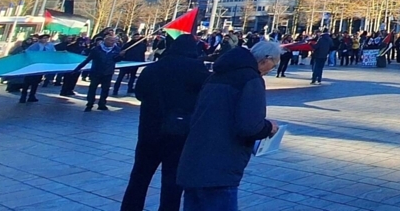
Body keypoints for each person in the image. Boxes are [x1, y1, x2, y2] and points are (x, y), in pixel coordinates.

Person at [177, 41, 280, 211]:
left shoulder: (216, 75)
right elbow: (249, 126)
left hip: (194, 159)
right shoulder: (251, 79)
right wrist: (269, 127)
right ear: (265, 59)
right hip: (222, 164)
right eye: (273, 64)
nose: (272, 68)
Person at [120, 34, 210, 211]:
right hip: (180, 133)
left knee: (139, 177)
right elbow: (205, 96)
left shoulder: (153, 67)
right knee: (172, 182)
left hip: (150, 130)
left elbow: (139, 93)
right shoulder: (197, 69)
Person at [80, 33, 122, 111]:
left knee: (105, 89)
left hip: (108, 73)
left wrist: (121, 56)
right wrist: (77, 69)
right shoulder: (96, 49)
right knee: (92, 88)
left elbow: (117, 60)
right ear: (105, 41)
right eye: (110, 40)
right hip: (96, 72)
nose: (112, 42)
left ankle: (102, 104)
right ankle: (90, 104)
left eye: (113, 41)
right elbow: (88, 60)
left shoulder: (116, 50)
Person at [19, 34, 55, 103]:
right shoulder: (35, 45)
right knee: (27, 81)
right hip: (33, 65)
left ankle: (32, 96)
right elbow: (28, 51)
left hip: (41, 65)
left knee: (36, 81)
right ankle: (23, 96)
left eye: (46, 38)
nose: (45, 40)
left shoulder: (50, 45)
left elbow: (54, 53)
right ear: (40, 39)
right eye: (43, 38)